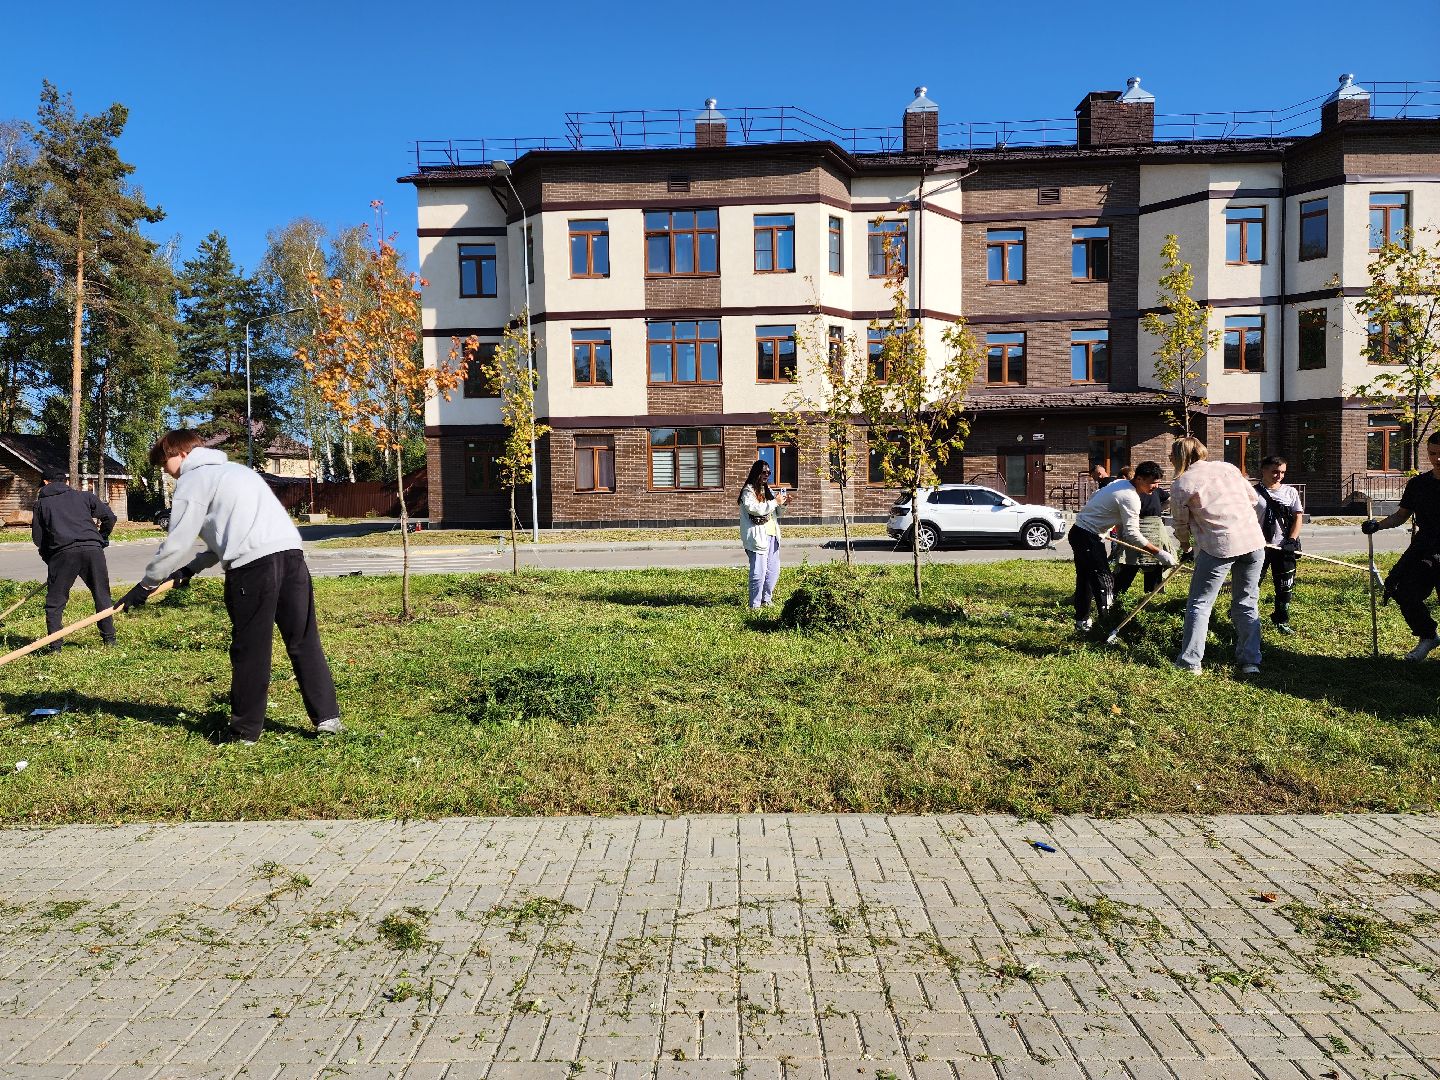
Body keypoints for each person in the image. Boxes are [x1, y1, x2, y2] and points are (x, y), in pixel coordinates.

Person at [120, 430, 343, 745]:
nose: (165, 471)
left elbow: (177, 541)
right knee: (303, 640)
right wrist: (190, 570)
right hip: (292, 558)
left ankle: (244, 733)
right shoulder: (238, 472)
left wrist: (146, 585)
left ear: (181, 454)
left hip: (252, 570)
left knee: (251, 649)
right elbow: (224, 536)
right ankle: (328, 720)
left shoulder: (192, 480)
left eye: (164, 463)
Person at [1169, 436, 1266, 675]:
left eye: (1171, 455)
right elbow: (1256, 501)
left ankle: (1190, 662)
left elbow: (1180, 524)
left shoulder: (1182, 483)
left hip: (1218, 547)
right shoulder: (1228, 468)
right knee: (1246, 602)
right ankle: (1250, 661)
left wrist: (1185, 545)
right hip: (1253, 543)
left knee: (1200, 604)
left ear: (1179, 456)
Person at [1068, 460, 1176, 633]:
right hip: (1087, 536)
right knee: (1104, 581)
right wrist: (1159, 553)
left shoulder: (1119, 483)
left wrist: (1100, 522)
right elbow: (1132, 534)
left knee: (1086, 579)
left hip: (1080, 532)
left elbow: (1096, 496)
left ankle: (1082, 622)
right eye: (1152, 482)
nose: (1155, 486)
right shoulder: (1131, 497)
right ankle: (1107, 627)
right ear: (1139, 479)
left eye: (1158, 482)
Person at [1363, 430, 1440, 660]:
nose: (1438, 459)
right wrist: (1377, 525)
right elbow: (1401, 516)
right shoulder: (1418, 484)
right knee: (1400, 587)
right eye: (1433, 453)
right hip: (1424, 546)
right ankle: (1428, 635)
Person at [30, 467, 117, 651]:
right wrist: (102, 537)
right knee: (102, 595)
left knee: (55, 604)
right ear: (66, 482)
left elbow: (39, 539)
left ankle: (55, 648)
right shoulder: (85, 497)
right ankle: (109, 640)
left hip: (62, 554)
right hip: (93, 550)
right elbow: (109, 517)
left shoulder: (41, 505)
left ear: (46, 483)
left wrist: (51, 561)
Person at [1254, 455, 1304, 635]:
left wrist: (1291, 540)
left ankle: (1281, 619)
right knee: (1252, 584)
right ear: (1263, 470)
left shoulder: (1290, 492)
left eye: (1282, 472)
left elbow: (1298, 517)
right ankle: (1245, 615)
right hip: (1258, 547)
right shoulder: (1253, 493)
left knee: (1285, 586)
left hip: (1283, 547)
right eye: (1275, 471)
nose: (1279, 476)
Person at [738, 459, 791, 609]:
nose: (767, 474)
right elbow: (756, 509)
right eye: (764, 472)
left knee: (773, 571)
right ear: (756, 472)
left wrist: (784, 504)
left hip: (772, 535)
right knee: (758, 573)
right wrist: (775, 502)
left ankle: (766, 599)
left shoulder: (768, 490)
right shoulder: (748, 491)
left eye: (769, 472)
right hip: (757, 537)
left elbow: (776, 513)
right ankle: (754, 605)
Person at [1114, 482, 1175, 597]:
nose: (1155, 484)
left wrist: (1160, 508)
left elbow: (1170, 499)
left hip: (1154, 530)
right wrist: (1121, 533)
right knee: (1128, 564)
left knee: (1155, 563)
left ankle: (1152, 599)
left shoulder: (1156, 490)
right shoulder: (1130, 492)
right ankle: (1115, 598)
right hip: (1135, 527)